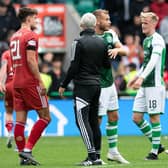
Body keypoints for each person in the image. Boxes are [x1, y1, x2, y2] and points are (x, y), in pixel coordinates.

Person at [59, 13, 110, 166]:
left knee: (82, 121)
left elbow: (73, 67)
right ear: (94, 26)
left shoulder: (78, 42)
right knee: (94, 121)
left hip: (82, 87)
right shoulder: (102, 42)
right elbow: (107, 65)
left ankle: (92, 157)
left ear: (81, 26)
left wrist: (63, 84)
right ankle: (98, 155)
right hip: (97, 85)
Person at [10, 7, 51, 165]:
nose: (36, 20)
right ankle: (27, 150)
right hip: (29, 82)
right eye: (35, 18)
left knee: (20, 121)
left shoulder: (14, 36)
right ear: (28, 19)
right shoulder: (31, 35)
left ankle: (23, 157)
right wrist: (40, 81)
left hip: (17, 82)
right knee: (46, 117)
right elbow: (31, 60)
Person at [93, 9, 130, 164]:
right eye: (106, 19)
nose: (109, 22)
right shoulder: (90, 38)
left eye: (109, 18)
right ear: (97, 22)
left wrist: (117, 49)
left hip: (110, 83)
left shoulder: (111, 34)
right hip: (98, 85)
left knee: (114, 116)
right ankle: (94, 154)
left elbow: (125, 50)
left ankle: (113, 151)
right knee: (98, 120)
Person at [128, 12, 166, 160]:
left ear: (154, 23)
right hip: (145, 86)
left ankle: (154, 152)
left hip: (154, 86)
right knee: (136, 117)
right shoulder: (146, 41)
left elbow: (154, 61)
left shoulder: (157, 40)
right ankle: (158, 145)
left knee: (154, 118)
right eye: (142, 22)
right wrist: (137, 77)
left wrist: (141, 78)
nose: (143, 25)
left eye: (146, 23)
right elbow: (145, 64)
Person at [0, 50, 14, 148]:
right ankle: (20, 140)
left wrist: (1, 82)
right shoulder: (24, 52)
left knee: (9, 112)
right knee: (22, 113)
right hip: (22, 85)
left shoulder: (6, 54)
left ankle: (10, 132)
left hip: (9, 85)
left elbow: (4, 68)